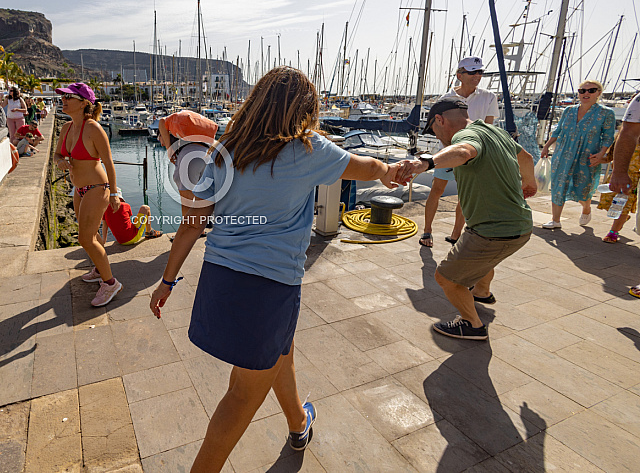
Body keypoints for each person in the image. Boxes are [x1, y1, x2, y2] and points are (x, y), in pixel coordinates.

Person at [149, 67, 404, 471]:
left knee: (279, 353)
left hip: (220, 277)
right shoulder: (308, 150)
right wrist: (391, 171)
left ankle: (299, 422)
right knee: (241, 396)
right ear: (303, 109)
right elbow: (367, 167)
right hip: (270, 288)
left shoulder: (225, 150)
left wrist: (167, 280)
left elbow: (193, 223)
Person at [398, 97, 536, 340]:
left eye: (434, 130)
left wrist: (427, 162)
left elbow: (463, 151)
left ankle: (472, 325)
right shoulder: (496, 131)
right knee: (482, 263)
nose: (438, 137)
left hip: (492, 231)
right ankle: (482, 292)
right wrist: (530, 183)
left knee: (446, 278)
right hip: (521, 225)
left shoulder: (463, 137)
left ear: (440, 120)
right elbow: (526, 158)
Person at [53, 82, 123, 306]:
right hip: (79, 189)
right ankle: (98, 269)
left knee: (85, 238)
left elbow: (109, 163)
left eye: (68, 97)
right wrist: (61, 161)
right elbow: (56, 155)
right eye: (63, 97)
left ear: (84, 103)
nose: (63, 100)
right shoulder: (65, 129)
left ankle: (111, 284)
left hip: (96, 188)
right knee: (91, 237)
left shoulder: (93, 128)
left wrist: (114, 193)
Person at [420, 56, 499, 247]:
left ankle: (456, 234)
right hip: (448, 151)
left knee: (465, 196)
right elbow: (439, 130)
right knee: (436, 190)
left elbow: (488, 129)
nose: (477, 75)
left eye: (480, 72)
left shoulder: (489, 97)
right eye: (472, 72)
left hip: (473, 155)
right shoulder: (446, 99)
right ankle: (427, 231)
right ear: (459, 75)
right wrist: (450, 153)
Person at [540, 80, 615, 229]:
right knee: (558, 185)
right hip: (563, 154)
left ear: (598, 93)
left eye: (591, 90)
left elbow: (608, 137)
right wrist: (546, 147)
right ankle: (555, 220)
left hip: (587, 155)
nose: (586, 94)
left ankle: (586, 208)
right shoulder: (569, 111)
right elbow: (558, 131)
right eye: (582, 91)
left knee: (583, 187)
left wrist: (601, 155)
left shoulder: (606, 113)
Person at [157, 110, 218, 240]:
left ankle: (185, 234)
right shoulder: (191, 139)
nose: (160, 142)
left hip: (189, 159)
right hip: (207, 155)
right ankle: (201, 228)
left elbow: (162, 121)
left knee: (187, 201)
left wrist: (169, 150)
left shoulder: (176, 139)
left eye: (160, 137)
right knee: (203, 196)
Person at [607, 92, 640, 298]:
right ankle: (614, 229)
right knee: (621, 203)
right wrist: (619, 171)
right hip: (632, 171)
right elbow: (627, 133)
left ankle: (614, 230)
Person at [597, 127, 640, 243]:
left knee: (623, 206)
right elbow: (609, 158)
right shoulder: (622, 138)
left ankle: (613, 232)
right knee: (610, 204)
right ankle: (623, 219)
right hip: (616, 176)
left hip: (632, 180)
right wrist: (597, 158)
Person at [95, 188, 163, 255]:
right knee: (145, 208)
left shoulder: (105, 209)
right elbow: (128, 222)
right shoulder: (125, 205)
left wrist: (103, 241)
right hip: (132, 238)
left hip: (120, 241)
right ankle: (149, 232)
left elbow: (105, 226)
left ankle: (148, 232)